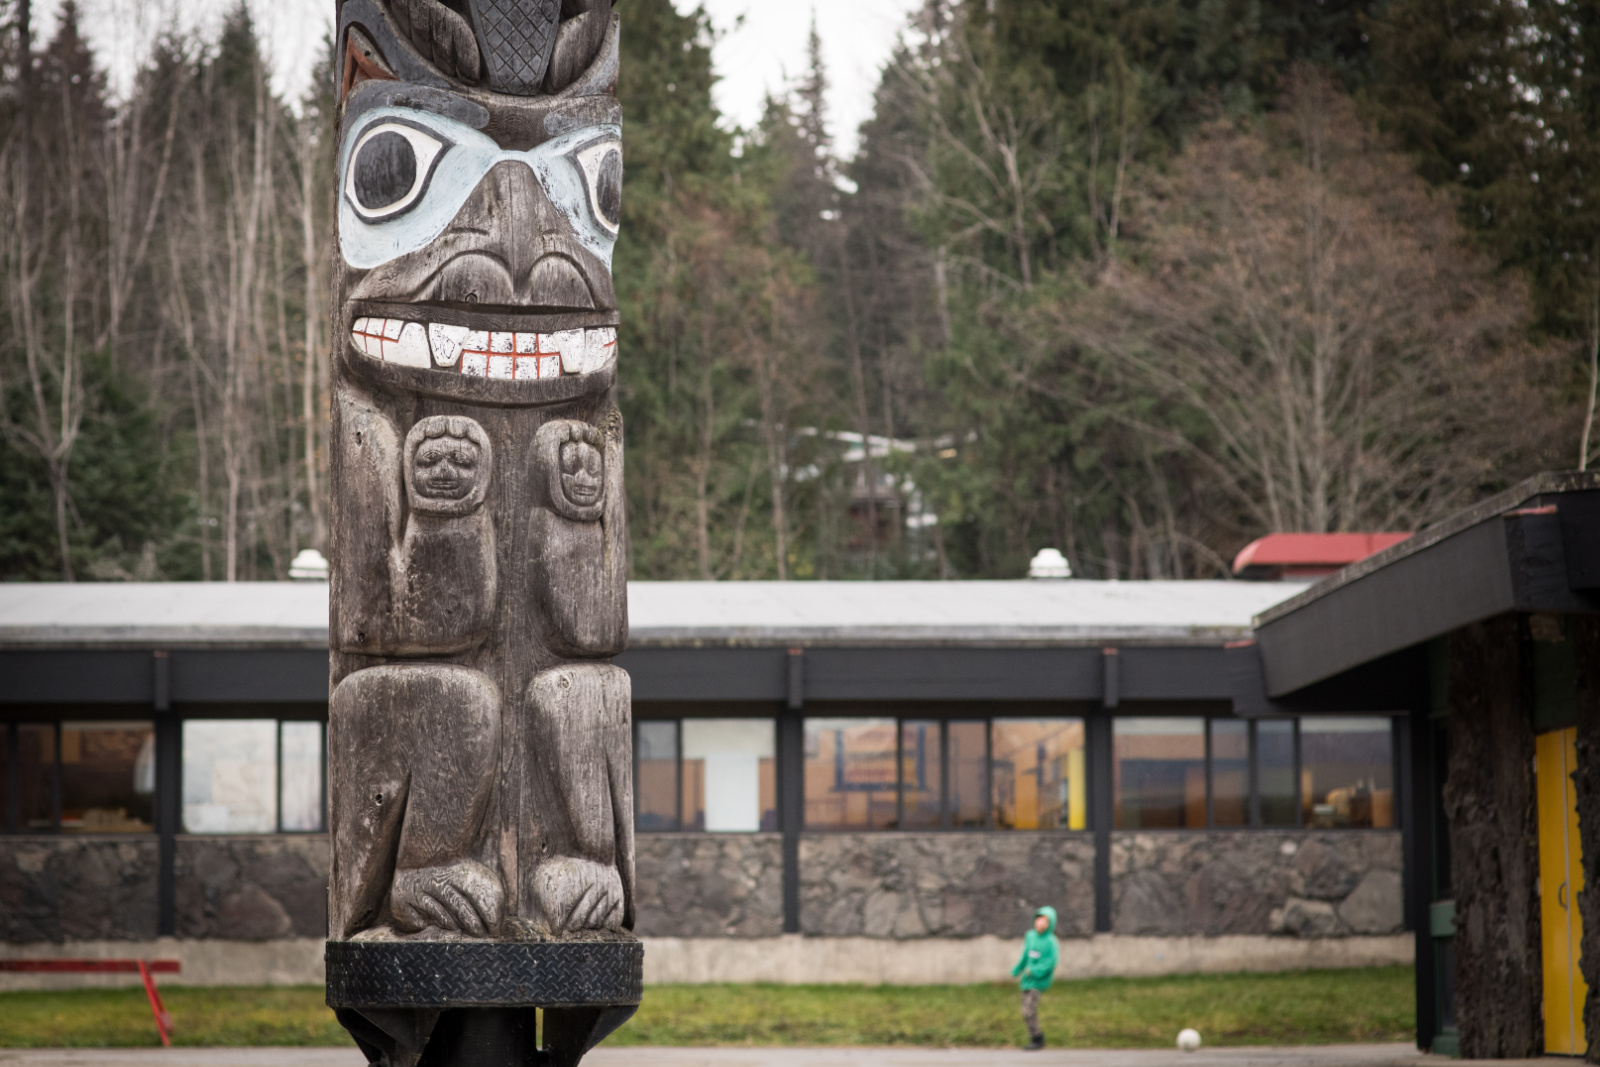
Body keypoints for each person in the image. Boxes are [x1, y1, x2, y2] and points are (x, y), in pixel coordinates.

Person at [1011, 905, 1059, 1050]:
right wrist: (1018, 969)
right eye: (1039, 919)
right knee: (1025, 1010)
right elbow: (1026, 955)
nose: (1040, 923)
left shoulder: (1051, 941)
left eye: (1045, 920)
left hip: (1038, 981)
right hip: (1026, 980)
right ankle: (1035, 1037)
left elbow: (1050, 963)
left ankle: (1037, 1039)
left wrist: (1034, 971)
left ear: (1050, 923)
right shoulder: (1030, 936)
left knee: (1029, 1010)